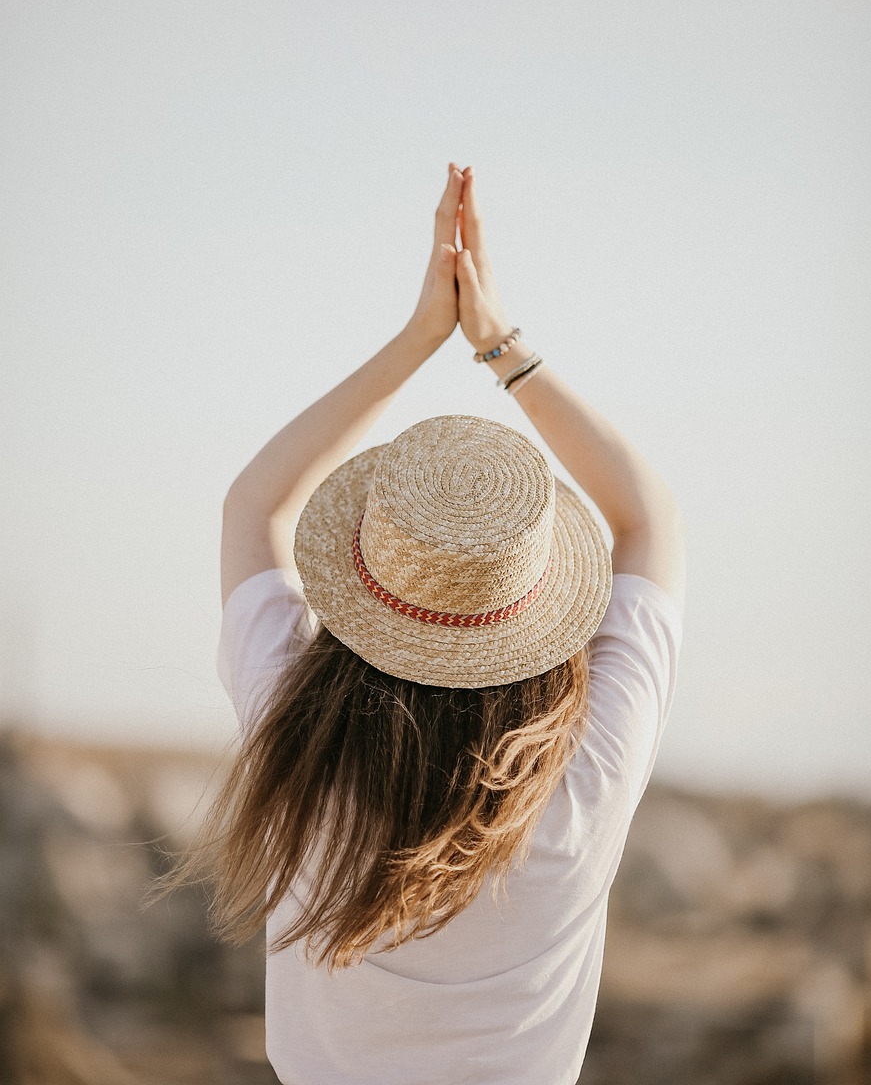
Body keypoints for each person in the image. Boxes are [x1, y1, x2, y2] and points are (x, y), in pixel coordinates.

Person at [191, 163, 685, 1084]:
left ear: (366, 592)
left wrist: (419, 336)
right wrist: (497, 343)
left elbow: (253, 506)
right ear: (537, 616)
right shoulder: (583, 784)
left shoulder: (299, 755)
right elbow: (649, 519)